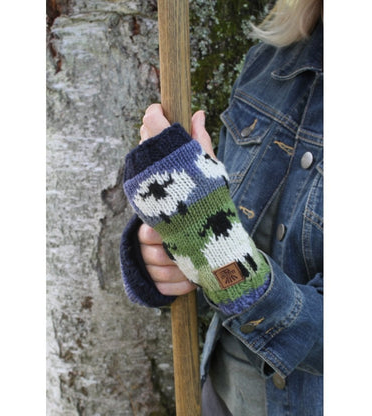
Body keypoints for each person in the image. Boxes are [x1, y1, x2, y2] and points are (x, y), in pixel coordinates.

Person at [120, 0, 323, 414]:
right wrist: (165, 247)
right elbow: (220, 226)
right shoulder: (270, 62)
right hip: (221, 397)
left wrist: (224, 267)